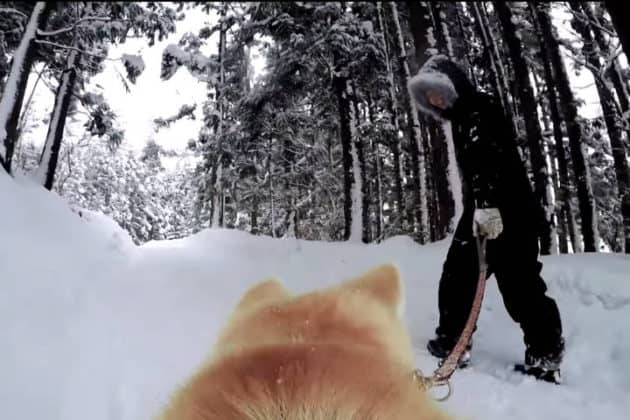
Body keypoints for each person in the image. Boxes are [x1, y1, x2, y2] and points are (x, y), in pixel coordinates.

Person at [407, 55, 565, 384]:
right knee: (458, 277)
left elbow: (494, 159)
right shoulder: (464, 117)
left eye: (437, 91)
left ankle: (546, 352)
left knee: (520, 286)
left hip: (509, 212)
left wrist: (490, 206)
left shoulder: (478, 109)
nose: (435, 101)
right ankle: (454, 342)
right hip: (483, 210)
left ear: (451, 85)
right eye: (429, 98)